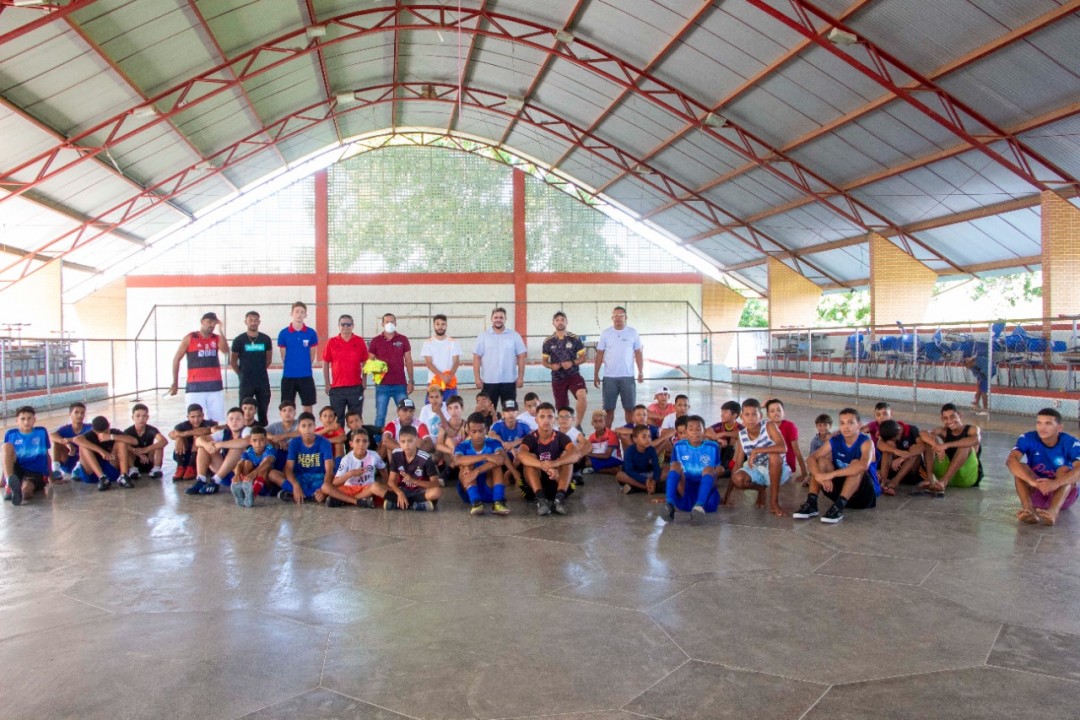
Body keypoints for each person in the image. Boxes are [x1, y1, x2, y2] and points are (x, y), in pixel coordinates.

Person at [795, 408, 880, 524]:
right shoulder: (835, 440)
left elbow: (863, 466)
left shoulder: (866, 442)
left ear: (859, 425)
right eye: (842, 423)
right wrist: (819, 475)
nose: (845, 427)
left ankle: (838, 508)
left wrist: (830, 475)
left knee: (855, 464)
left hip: (863, 495)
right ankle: (811, 503)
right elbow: (811, 458)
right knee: (821, 461)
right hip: (838, 490)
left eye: (850, 422)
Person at [1007, 408, 1080, 526]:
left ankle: (1053, 512)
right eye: (1039, 423)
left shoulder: (1071, 442)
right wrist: (1033, 482)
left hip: (1062, 496)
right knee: (1020, 469)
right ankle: (1028, 510)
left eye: (1048, 423)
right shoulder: (1027, 438)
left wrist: (1055, 483)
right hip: (1037, 491)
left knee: (1064, 470)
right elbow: (1011, 461)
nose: (1042, 427)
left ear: (1059, 428)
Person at [724, 398, 790, 517]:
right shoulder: (742, 435)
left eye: (754, 414)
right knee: (738, 478)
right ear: (741, 416)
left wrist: (757, 451)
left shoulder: (769, 426)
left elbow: (783, 448)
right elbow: (737, 464)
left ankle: (774, 502)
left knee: (774, 456)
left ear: (760, 415)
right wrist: (727, 496)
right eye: (747, 414)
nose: (750, 418)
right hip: (758, 470)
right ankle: (761, 490)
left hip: (778, 470)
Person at [518, 402, 581, 516]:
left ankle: (559, 500)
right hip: (535, 487)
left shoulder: (561, 437)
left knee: (567, 460)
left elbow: (576, 454)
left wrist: (555, 463)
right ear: (536, 420)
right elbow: (521, 455)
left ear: (554, 420)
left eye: (550, 416)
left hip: (557, 483)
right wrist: (544, 466)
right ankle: (541, 501)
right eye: (542, 417)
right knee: (529, 459)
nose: (546, 420)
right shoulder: (530, 438)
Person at [169, 311, 228, 423]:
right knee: (194, 421)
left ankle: (213, 440)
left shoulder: (217, 338)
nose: (211, 325)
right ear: (202, 322)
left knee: (216, 421)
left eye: (214, 323)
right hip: (195, 388)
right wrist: (175, 383)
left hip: (215, 387)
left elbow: (226, 350)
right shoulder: (190, 338)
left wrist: (221, 329)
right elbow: (176, 359)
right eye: (209, 322)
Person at [662, 415, 722, 524]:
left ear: (704, 431)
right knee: (675, 465)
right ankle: (669, 504)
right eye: (691, 429)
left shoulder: (713, 447)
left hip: (706, 490)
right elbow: (674, 471)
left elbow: (717, 470)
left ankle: (699, 506)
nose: (695, 432)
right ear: (686, 432)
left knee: (709, 469)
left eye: (698, 429)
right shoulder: (678, 446)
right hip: (685, 487)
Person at [594, 306, 644, 427]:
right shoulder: (606, 333)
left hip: (628, 377)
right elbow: (600, 354)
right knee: (608, 410)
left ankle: (631, 435)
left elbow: (638, 352)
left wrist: (640, 372)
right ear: (612, 318)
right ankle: (608, 436)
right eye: (615, 316)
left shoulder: (633, 332)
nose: (618, 318)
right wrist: (596, 374)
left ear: (625, 317)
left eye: (621, 315)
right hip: (609, 378)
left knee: (630, 409)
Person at [919, 404, 983, 496]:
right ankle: (930, 478)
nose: (949, 421)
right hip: (946, 473)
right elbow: (923, 433)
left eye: (952, 417)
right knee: (929, 441)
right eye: (945, 418)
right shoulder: (944, 431)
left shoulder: (972, 429)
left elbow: (976, 439)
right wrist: (936, 446)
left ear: (960, 415)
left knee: (965, 444)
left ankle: (943, 481)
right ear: (942, 419)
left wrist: (946, 445)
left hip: (966, 476)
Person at [454, 412, 510, 516]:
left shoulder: (494, 443)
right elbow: (457, 460)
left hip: (489, 490)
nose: (478, 435)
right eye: (473, 431)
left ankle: (498, 502)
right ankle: (476, 503)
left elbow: (501, 458)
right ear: (467, 430)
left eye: (481, 431)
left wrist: (477, 471)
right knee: (466, 466)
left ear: (487, 429)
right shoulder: (462, 446)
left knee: (497, 465)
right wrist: (485, 456)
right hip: (468, 491)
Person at [188, 407, 252, 495]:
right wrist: (206, 445)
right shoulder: (224, 432)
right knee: (203, 446)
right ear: (227, 422)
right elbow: (199, 440)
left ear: (244, 421)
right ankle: (201, 480)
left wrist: (219, 444)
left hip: (240, 474)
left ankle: (215, 481)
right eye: (231, 419)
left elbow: (246, 441)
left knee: (236, 447)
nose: (234, 421)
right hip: (224, 473)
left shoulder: (247, 430)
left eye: (238, 419)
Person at [472, 307, 527, 411]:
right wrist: (477, 378)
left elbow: (521, 356)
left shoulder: (514, 336)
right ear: (491, 319)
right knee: (487, 412)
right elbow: (476, 357)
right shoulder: (483, 336)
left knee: (510, 411)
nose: (498, 319)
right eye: (496, 317)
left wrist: (520, 377)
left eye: (501, 317)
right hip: (489, 381)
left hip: (509, 381)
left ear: (505, 319)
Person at [368, 312, 415, 431]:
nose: (390, 324)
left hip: (400, 384)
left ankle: (407, 437)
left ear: (396, 323)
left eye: (392, 321)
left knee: (406, 415)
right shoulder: (375, 341)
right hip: (382, 386)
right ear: (382, 324)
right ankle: (379, 443)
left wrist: (411, 381)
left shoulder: (403, 339)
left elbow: (408, 360)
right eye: (387, 321)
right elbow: (369, 361)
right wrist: (376, 371)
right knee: (380, 416)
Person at [542, 311, 588, 427]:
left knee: (582, 396)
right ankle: (565, 429)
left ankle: (578, 425)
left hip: (573, 375)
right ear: (553, 323)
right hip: (558, 378)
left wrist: (572, 363)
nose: (560, 322)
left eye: (562, 319)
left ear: (566, 322)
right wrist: (551, 366)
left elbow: (583, 358)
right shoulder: (548, 341)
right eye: (557, 320)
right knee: (562, 408)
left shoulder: (574, 339)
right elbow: (544, 361)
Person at [323, 313, 368, 426]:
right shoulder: (331, 342)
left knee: (355, 421)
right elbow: (325, 362)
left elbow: (365, 362)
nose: (346, 326)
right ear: (339, 326)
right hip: (337, 390)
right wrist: (327, 383)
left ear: (353, 326)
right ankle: (338, 443)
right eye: (343, 324)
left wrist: (364, 381)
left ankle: (353, 443)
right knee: (337, 422)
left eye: (348, 324)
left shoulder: (359, 341)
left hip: (355, 388)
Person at [323, 429, 387, 508]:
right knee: (325, 487)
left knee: (376, 488)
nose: (361, 444)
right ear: (351, 444)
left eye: (364, 441)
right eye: (357, 441)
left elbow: (383, 469)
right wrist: (350, 473)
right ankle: (358, 501)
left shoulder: (374, 455)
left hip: (366, 489)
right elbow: (335, 483)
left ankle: (343, 501)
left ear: (368, 443)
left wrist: (387, 484)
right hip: (349, 489)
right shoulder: (346, 459)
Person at [230, 310, 273, 425]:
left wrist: (259, 370)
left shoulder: (266, 339)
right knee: (245, 410)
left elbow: (268, 359)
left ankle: (262, 432)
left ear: (259, 322)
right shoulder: (239, 340)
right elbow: (233, 361)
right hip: (246, 381)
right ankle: (244, 432)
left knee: (263, 408)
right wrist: (241, 374)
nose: (253, 323)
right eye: (251, 320)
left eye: (255, 320)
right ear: (246, 322)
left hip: (262, 380)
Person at [74, 415, 138, 491]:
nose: (102, 436)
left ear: (109, 425)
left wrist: (111, 436)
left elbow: (135, 441)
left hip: (110, 467)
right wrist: (101, 451)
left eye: (105, 432)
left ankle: (123, 476)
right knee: (83, 446)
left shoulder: (113, 432)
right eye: (99, 434)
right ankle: (102, 478)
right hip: (92, 472)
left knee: (121, 442)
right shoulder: (90, 435)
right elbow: (76, 439)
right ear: (94, 430)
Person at [3, 405, 51, 506]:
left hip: (36, 472)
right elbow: (6, 458)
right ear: (17, 420)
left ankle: (17, 490)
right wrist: (2, 479)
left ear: (34, 419)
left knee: (26, 493)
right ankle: (9, 483)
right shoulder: (10, 434)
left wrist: (51, 476)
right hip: (18, 468)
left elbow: (47, 454)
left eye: (29, 418)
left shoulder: (41, 432)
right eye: (23, 419)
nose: (26, 422)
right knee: (6, 447)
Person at [283, 411, 335, 504]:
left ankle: (297, 494)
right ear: (298, 428)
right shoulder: (294, 443)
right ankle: (309, 495)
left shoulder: (324, 442)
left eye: (310, 425)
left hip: (319, 478)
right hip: (300, 478)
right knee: (273, 474)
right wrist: (295, 485)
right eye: (303, 426)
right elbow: (288, 468)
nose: (307, 429)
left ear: (314, 426)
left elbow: (329, 469)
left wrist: (323, 489)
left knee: (334, 481)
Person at [386, 425, 442, 511]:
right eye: (403, 441)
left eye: (410, 441)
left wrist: (414, 481)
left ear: (416, 439)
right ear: (399, 442)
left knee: (437, 492)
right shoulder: (396, 454)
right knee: (379, 488)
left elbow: (435, 483)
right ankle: (416, 505)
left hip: (420, 491)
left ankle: (403, 504)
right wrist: (399, 493)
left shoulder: (425, 458)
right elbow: (391, 481)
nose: (406, 445)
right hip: (403, 490)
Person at [278, 301, 319, 414]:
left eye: (302, 312)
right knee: (287, 408)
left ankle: (307, 430)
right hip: (288, 376)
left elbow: (312, 355)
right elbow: (283, 355)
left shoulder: (311, 333)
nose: (299, 314)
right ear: (291, 313)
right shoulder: (283, 333)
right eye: (297, 311)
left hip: (306, 376)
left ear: (305, 315)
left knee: (307, 406)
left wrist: (303, 366)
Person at [232, 425, 284, 506]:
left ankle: (252, 496)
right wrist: (237, 475)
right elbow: (239, 464)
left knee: (265, 465)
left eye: (261, 440)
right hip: (252, 482)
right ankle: (244, 489)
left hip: (267, 485)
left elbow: (268, 462)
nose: (258, 443)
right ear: (250, 442)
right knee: (246, 463)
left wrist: (254, 473)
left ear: (266, 440)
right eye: (255, 440)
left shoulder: (270, 449)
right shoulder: (248, 451)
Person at [765, 399, 808, 483]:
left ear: (783, 412)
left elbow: (796, 450)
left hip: (785, 465)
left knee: (773, 480)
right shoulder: (766, 426)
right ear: (768, 415)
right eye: (772, 411)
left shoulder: (790, 426)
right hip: (769, 462)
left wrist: (804, 473)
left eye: (778, 410)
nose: (776, 413)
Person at [489, 398, 529, 488]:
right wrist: (506, 444)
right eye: (507, 411)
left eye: (513, 410)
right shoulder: (498, 424)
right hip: (504, 456)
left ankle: (509, 473)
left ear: (517, 412)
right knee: (499, 451)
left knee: (525, 453)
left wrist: (515, 443)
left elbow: (531, 436)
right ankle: (513, 473)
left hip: (519, 456)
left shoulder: (523, 424)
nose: (511, 413)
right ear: (503, 413)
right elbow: (491, 435)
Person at [168, 403, 215, 481]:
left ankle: (191, 467)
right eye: (192, 417)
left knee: (197, 437)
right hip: (185, 455)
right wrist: (179, 437)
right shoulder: (183, 425)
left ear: (203, 416)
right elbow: (171, 435)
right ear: (188, 417)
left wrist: (184, 433)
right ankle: (181, 467)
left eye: (199, 416)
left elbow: (205, 431)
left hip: (202, 457)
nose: (196, 420)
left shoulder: (209, 424)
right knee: (179, 438)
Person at [877, 419, 924, 495]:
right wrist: (896, 451)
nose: (895, 440)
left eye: (894, 439)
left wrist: (902, 458)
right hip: (894, 468)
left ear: (899, 431)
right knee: (887, 449)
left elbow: (922, 447)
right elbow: (879, 444)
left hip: (912, 471)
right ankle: (883, 481)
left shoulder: (912, 430)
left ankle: (895, 482)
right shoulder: (889, 430)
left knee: (914, 451)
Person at [422, 314, 461, 401]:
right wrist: (441, 376)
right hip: (433, 383)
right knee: (432, 411)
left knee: (451, 410)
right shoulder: (428, 343)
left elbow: (456, 362)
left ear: (446, 325)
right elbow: (429, 363)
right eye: (438, 324)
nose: (440, 326)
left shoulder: (454, 342)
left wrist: (449, 376)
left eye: (443, 324)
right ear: (433, 325)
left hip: (449, 383)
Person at [123, 403, 166, 479]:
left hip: (149, 460)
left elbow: (164, 441)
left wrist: (145, 450)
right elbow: (123, 445)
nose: (141, 419)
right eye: (138, 416)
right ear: (133, 417)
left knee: (159, 445)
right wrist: (138, 453)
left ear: (148, 417)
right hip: (134, 460)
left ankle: (156, 469)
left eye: (144, 416)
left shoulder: (151, 429)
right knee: (125, 448)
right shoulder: (128, 431)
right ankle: (133, 469)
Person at [618, 424, 663, 494]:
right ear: (635, 439)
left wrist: (654, 481)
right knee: (620, 475)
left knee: (667, 470)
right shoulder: (630, 451)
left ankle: (638, 488)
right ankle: (646, 488)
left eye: (649, 436)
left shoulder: (651, 450)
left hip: (648, 474)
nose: (648, 439)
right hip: (634, 476)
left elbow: (656, 467)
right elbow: (629, 470)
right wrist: (645, 480)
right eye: (644, 437)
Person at [50, 402, 88, 482]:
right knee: (57, 442)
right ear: (70, 414)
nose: (80, 415)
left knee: (88, 441)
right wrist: (67, 444)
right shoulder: (65, 429)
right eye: (76, 412)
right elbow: (52, 436)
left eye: (82, 413)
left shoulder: (89, 427)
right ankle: (56, 470)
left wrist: (70, 439)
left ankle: (78, 469)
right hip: (69, 460)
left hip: (84, 462)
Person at [584, 409, 622, 476]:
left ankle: (599, 469)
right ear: (592, 423)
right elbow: (589, 451)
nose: (598, 424)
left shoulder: (611, 434)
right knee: (583, 460)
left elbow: (607, 455)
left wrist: (587, 455)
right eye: (595, 421)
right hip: (599, 458)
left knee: (588, 463)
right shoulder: (591, 437)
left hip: (613, 458)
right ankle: (600, 469)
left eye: (600, 421)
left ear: (605, 422)